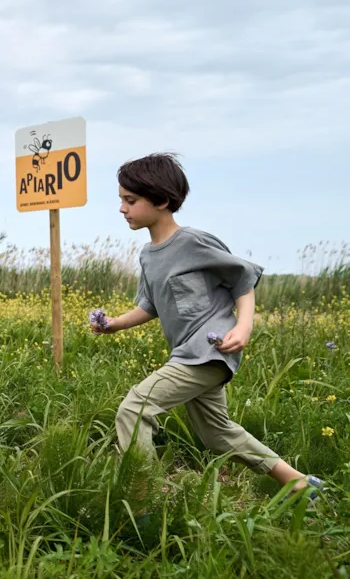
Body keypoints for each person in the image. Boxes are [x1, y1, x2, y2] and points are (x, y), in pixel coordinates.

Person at [92, 153, 323, 498]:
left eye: (131, 200)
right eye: (121, 200)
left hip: (207, 352)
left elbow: (242, 280)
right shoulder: (148, 255)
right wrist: (115, 324)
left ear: (161, 201)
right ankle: (302, 483)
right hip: (188, 355)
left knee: (135, 408)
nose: (122, 208)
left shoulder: (193, 243)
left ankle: (141, 502)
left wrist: (244, 327)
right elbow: (149, 305)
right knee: (217, 433)